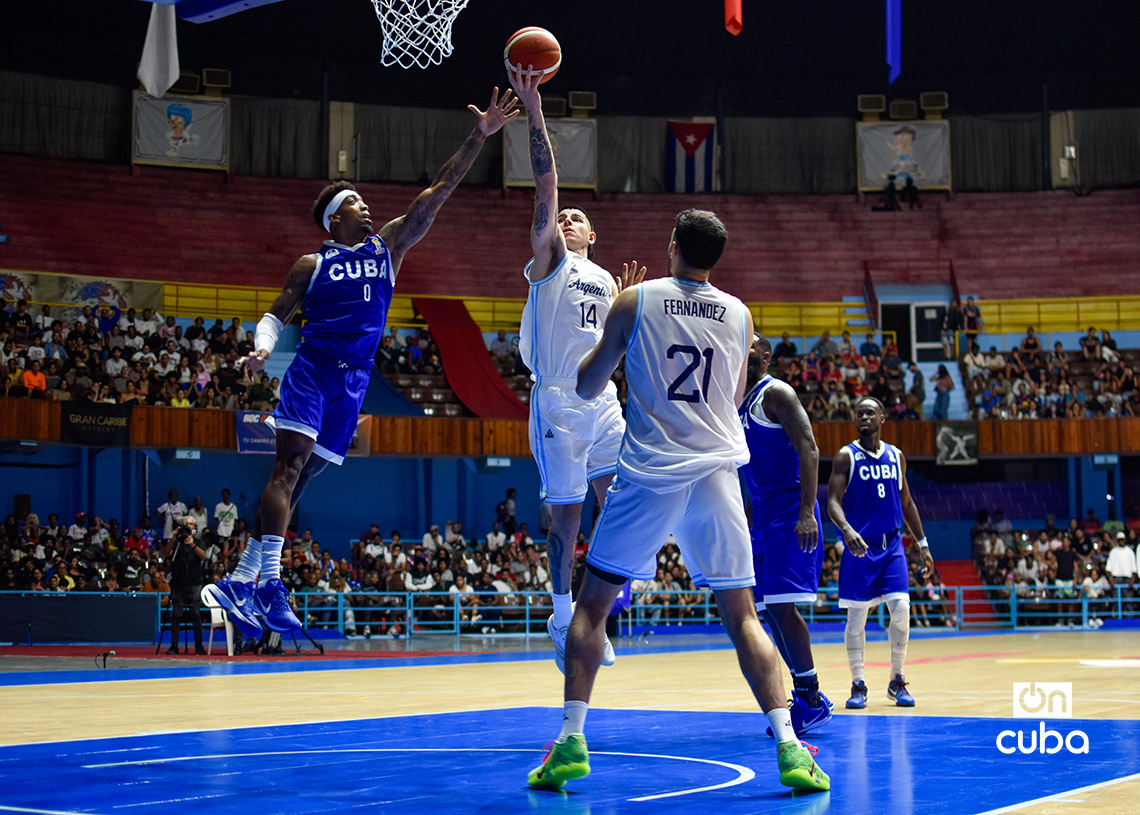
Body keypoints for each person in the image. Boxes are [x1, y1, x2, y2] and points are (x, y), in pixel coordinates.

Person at [525, 209, 829, 794]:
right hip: (717, 474)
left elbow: (587, 386)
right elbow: (732, 398)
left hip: (651, 473)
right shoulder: (740, 314)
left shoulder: (635, 299)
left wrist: (613, 336)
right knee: (744, 616)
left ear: (671, 245)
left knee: (591, 608)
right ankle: (791, 747)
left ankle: (569, 742)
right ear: (715, 258)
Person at [205, 87, 519, 640]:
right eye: (354, 202)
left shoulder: (388, 247)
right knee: (288, 467)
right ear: (334, 219)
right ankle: (270, 584)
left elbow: (437, 192)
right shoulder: (311, 264)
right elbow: (277, 313)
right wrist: (262, 347)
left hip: (355, 380)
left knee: (305, 476)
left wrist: (480, 135)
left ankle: (241, 581)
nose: (366, 206)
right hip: (314, 367)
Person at [507, 65, 642, 673]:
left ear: (594, 233)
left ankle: (596, 610)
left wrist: (626, 305)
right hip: (559, 399)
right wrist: (534, 109)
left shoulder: (609, 281)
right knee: (567, 515)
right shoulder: (550, 260)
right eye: (563, 217)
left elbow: (618, 347)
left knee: (622, 503)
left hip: (603, 398)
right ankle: (562, 616)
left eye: (577, 219)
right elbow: (546, 185)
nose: (566, 220)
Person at [738, 334, 833, 736]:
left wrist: (807, 512)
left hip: (790, 509)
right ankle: (807, 696)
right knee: (765, 609)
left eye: (749, 348)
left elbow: (809, 449)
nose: (741, 353)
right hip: (762, 516)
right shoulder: (736, 402)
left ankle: (810, 697)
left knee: (780, 607)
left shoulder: (776, 393)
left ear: (764, 356)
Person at [828, 396, 934, 710]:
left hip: (892, 545)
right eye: (859, 413)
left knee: (901, 608)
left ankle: (896, 680)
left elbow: (907, 503)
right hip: (860, 546)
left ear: (882, 418)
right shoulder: (845, 456)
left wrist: (923, 544)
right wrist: (847, 530)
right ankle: (858, 683)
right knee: (856, 617)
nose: (864, 417)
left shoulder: (896, 456)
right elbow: (832, 502)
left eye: (870, 413)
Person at [162, 519, 206, 654]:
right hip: (178, 583)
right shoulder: (177, 543)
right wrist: (174, 537)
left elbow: (203, 556)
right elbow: (165, 554)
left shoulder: (198, 542)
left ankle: (199, 646)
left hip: (194, 582)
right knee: (176, 614)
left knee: (196, 614)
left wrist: (192, 545)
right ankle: (174, 646)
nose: (188, 527)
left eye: (191, 524)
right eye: (186, 525)